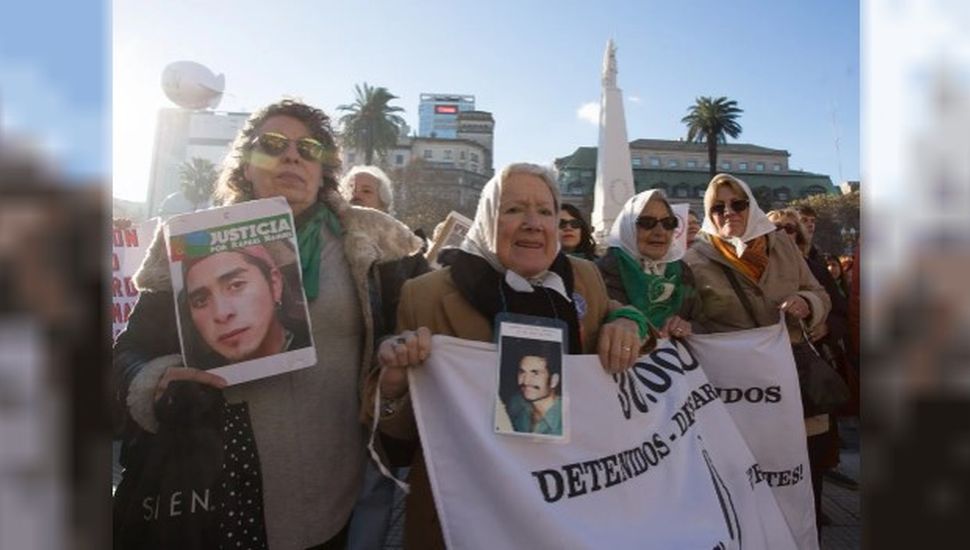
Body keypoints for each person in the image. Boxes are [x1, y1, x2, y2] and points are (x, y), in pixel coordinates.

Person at [114, 98, 425, 549]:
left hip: (339, 498)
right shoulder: (189, 246)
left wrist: (398, 355)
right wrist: (155, 380)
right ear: (245, 164)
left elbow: (420, 322)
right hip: (221, 503)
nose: (292, 155)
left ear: (324, 169)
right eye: (273, 144)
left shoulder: (373, 242)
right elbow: (127, 354)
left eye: (309, 148)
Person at [364, 162, 648, 550]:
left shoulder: (584, 276)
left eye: (545, 211)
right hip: (472, 513)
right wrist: (395, 383)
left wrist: (628, 321)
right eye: (513, 209)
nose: (533, 223)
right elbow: (402, 433)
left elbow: (614, 315)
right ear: (486, 218)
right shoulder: (425, 295)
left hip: (571, 502)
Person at [686, 175, 831, 536]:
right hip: (735, 395)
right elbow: (688, 315)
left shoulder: (781, 244)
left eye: (738, 204)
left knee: (793, 472)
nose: (728, 212)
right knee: (739, 476)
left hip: (789, 381)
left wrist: (807, 303)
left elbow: (819, 293)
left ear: (751, 204)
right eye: (718, 207)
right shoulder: (695, 257)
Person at [179, 242, 310, 369]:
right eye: (200, 301)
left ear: (274, 285)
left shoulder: (319, 342)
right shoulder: (196, 377)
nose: (221, 313)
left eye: (236, 285)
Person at [596, 189, 700, 339]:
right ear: (627, 227)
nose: (660, 231)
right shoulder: (600, 273)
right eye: (647, 223)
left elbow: (704, 322)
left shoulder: (683, 273)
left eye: (668, 223)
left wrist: (689, 327)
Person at [506, 352, 562, 435]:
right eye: (522, 372)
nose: (525, 381)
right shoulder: (516, 403)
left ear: (554, 380)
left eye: (535, 373)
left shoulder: (564, 421)